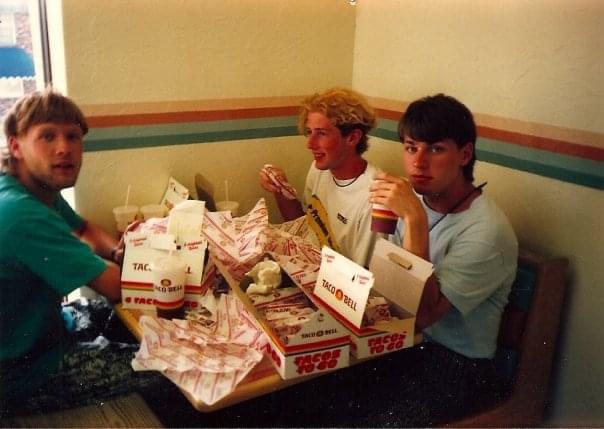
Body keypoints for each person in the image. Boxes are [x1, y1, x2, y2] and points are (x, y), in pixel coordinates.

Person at [0, 89, 160, 416]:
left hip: (49, 327)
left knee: (123, 321)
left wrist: (116, 251)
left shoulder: (29, 187)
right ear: (16, 146)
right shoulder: (22, 214)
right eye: (47, 136)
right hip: (23, 372)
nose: (64, 148)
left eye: (73, 137)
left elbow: (84, 228)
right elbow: (115, 286)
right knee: (173, 367)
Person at [361, 93, 519, 425]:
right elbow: (389, 286)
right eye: (410, 147)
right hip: (405, 343)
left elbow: (425, 314)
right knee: (306, 393)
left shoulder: (486, 230)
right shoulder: (414, 200)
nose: (418, 162)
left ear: (465, 154)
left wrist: (415, 222)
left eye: (435, 149)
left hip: (460, 366)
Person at [259, 87, 379, 266]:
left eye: (321, 133)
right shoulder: (319, 168)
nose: (310, 144)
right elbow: (305, 228)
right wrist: (281, 189)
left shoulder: (374, 198)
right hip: (310, 269)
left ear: (353, 137)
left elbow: (363, 279)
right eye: (309, 132)